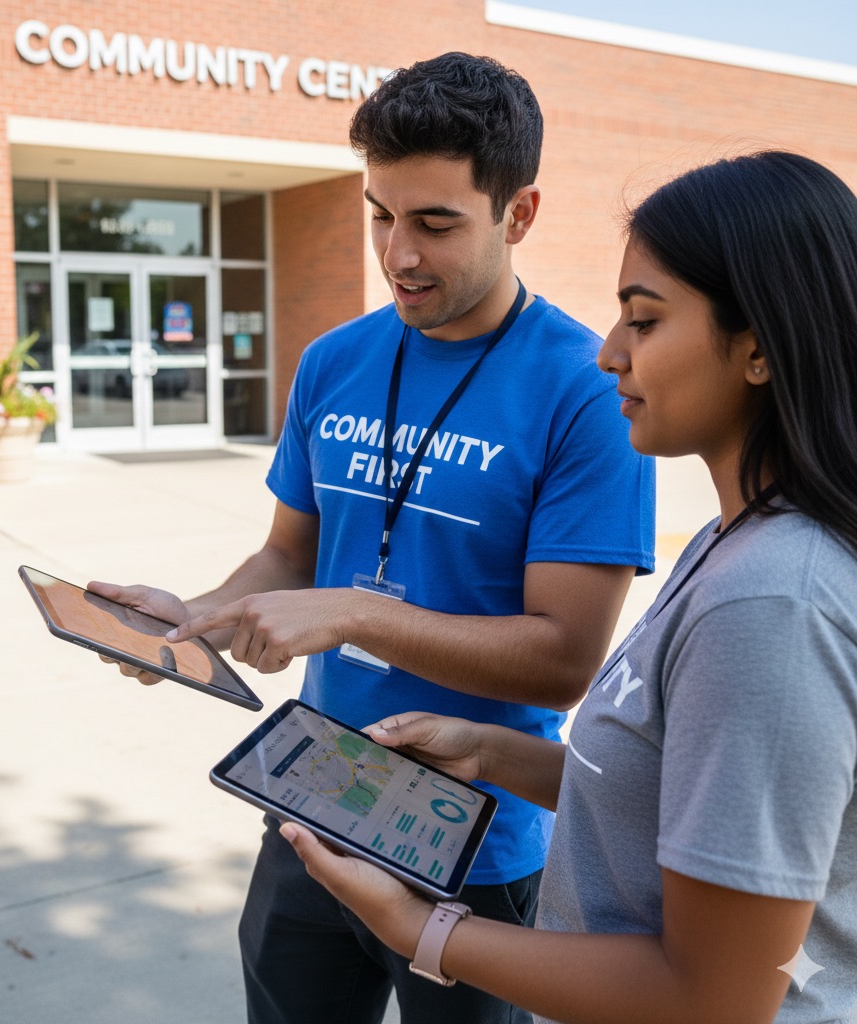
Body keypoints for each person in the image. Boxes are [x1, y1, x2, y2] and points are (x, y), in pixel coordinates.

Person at [90, 52, 654, 1024]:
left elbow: (562, 659)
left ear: (517, 214)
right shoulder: (334, 359)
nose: (397, 253)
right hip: (315, 789)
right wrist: (197, 617)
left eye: (435, 222)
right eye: (379, 214)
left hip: (471, 835)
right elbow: (288, 556)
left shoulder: (587, 388)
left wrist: (354, 612)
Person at [280, 149, 857, 1024]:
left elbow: (714, 999)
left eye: (645, 322)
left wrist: (420, 930)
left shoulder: (773, 604)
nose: (608, 353)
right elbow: (673, 792)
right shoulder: (733, 542)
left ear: (758, 351)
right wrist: (489, 754)